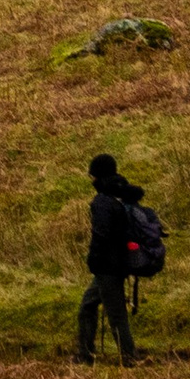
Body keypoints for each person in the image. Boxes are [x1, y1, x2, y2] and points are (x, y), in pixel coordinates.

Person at [76, 151, 145, 366]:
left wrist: (93, 261)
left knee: (115, 315)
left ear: (99, 175)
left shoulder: (103, 201)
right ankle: (85, 353)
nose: (92, 180)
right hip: (121, 263)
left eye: (93, 175)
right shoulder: (124, 194)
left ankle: (129, 357)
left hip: (108, 266)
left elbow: (102, 235)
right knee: (88, 305)